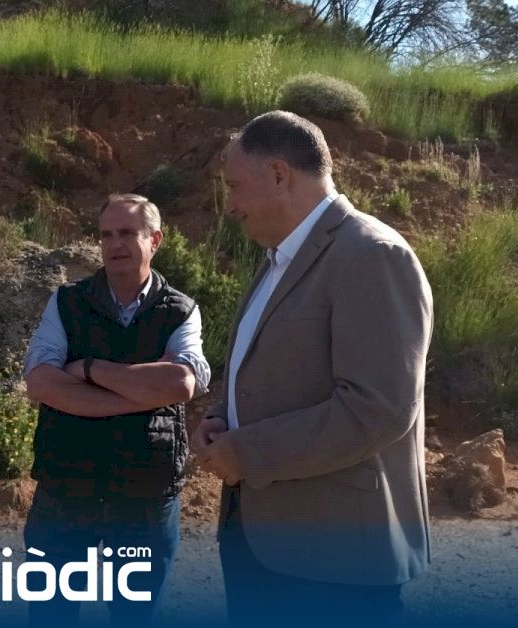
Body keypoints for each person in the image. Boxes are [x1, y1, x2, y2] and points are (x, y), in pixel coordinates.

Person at [195, 111, 433, 626]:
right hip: (262, 543)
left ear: (280, 175)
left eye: (234, 186)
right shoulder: (279, 260)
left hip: (335, 564)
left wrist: (248, 451)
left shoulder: (372, 254)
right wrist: (222, 418)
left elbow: (378, 409)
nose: (229, 205)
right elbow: (270, 373)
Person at [22, 193, 211, 626]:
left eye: (127, 233)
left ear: (155, 240)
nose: (114, 244)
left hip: (144, 501)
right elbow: (41, 383)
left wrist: (89, 368)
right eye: (106, 234)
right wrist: (139, 395)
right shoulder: (66, 302)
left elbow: (181, 383)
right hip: (66, 493)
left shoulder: (181, 310)